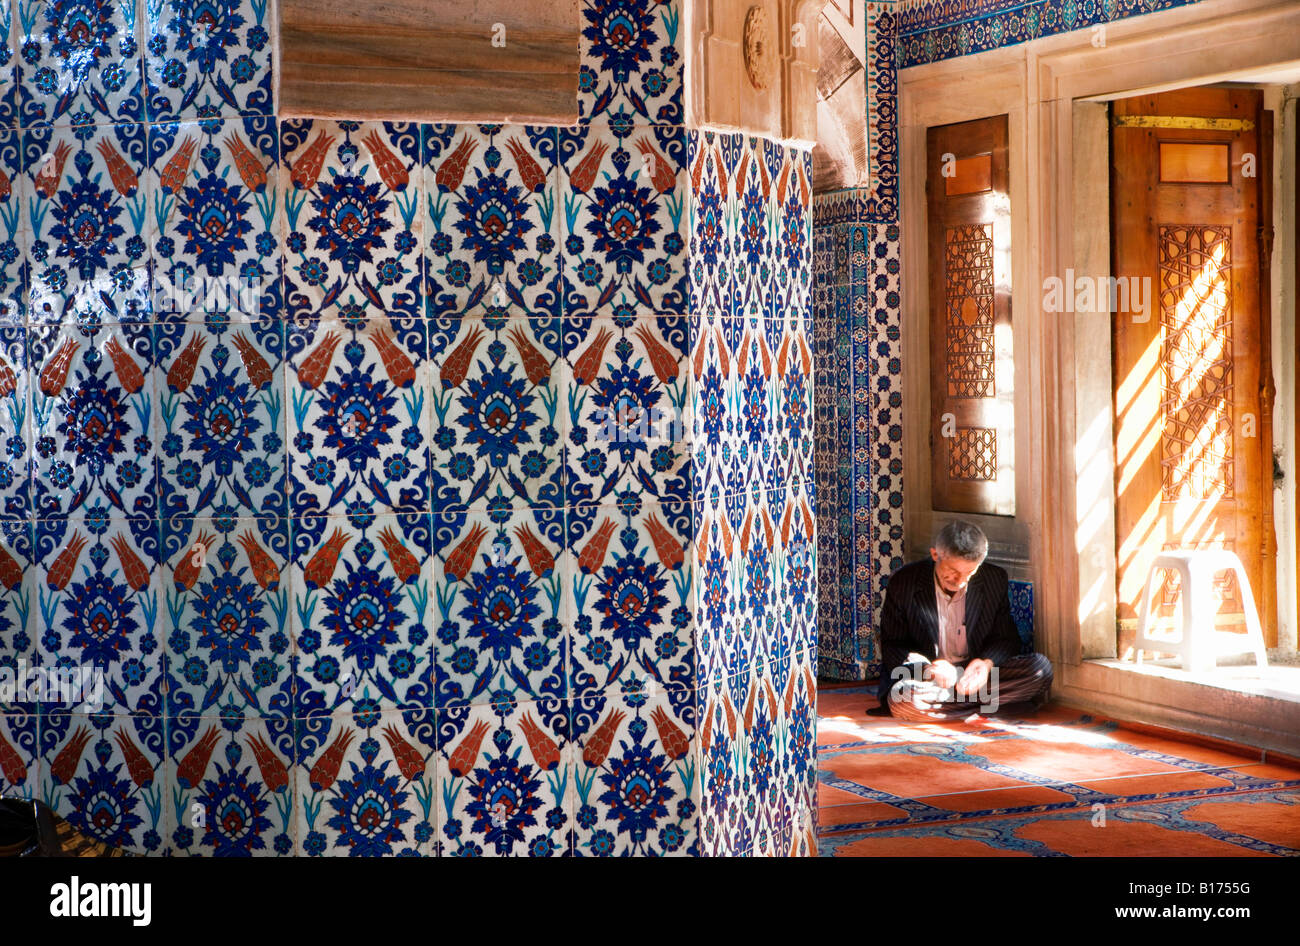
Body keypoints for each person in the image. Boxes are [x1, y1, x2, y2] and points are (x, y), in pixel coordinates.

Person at [872, 520, 1052, 721]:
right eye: (953, 571)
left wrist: (985, 664)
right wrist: (928, 669)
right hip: (929, 681)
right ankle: (994, 706)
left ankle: (956, 709)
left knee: (1040, 670)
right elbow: (892, 646)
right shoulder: (904, 582)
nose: (960, 581)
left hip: (974, 678)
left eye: (970, 572)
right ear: (935, 555)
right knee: (904, 698)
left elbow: (1006, 640)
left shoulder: (994, 579)